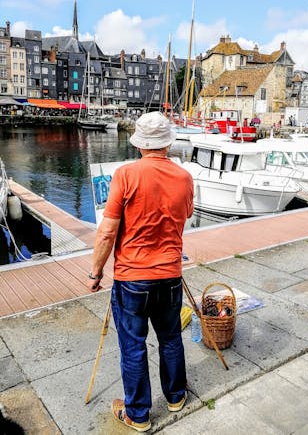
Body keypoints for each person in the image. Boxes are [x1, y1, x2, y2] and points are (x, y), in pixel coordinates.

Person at [87, 111, 194, 432]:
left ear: (140, 143)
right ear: (168, 143)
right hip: (170, 274)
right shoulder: (184, 177)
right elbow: (185, 214)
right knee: (171, 337)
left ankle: (138, 413)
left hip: (133, 277)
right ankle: (175, 396)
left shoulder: (125, 175)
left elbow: (107, 232)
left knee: (133, 345)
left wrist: (95, 272)